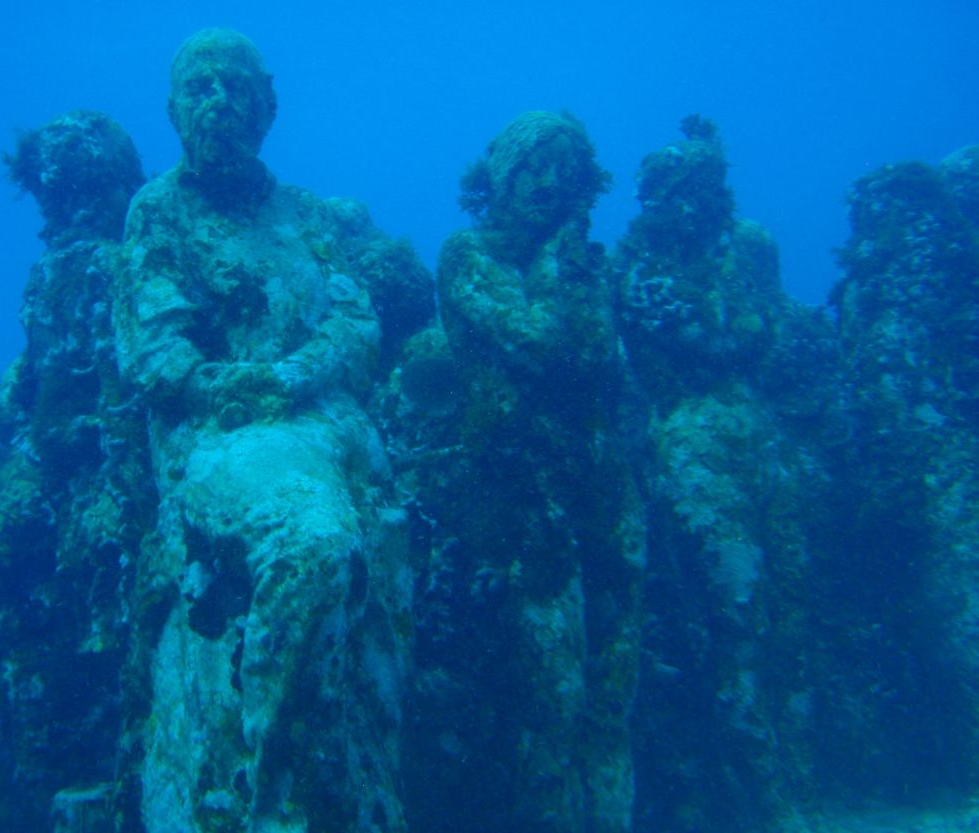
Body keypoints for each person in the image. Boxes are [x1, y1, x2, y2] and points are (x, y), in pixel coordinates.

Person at [113, 29, 411, 833]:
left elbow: (354, 321)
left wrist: (290, 376)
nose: (218, 101)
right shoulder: (159, 211)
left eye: (235, 86)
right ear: (173, 108)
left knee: (383, 575)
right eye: (199, 86)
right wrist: (227, 387)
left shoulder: (308, 215)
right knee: (313, 543)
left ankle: (361, 784)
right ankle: (268, 793)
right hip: (229, 438)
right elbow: (157, 348)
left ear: (269, 105)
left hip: (325, 424)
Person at [423, 110, 646, 833]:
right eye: (534, 164)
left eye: (567, 167)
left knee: (613, 694)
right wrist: (562, 264)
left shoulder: (587, 263)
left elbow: (604, 367)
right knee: (552, 696)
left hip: (603, 485)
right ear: (501, 175)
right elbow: (544, 342)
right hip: (521, 496)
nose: (550, 182)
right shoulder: (467, 255)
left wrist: (571, 267)